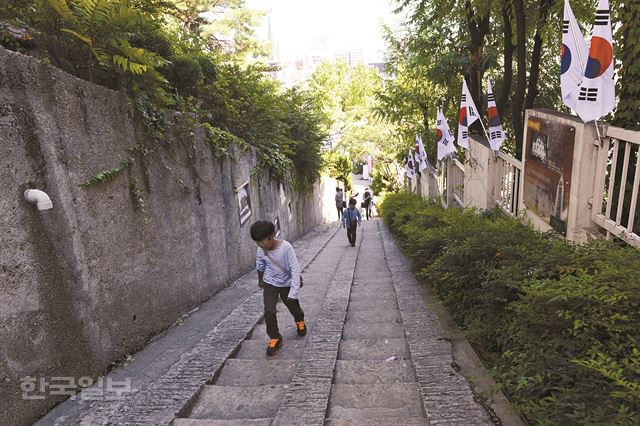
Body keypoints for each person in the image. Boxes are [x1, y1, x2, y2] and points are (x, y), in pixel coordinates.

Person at [250, 220, 306, 357]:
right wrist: (260, 280)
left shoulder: (286, 247)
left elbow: (295, 268)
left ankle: (299, 320)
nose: (260, 245)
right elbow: (260, 265)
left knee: (293, 307)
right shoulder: (260, 250)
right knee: (269, 311)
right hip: (270, 283)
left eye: (262, 241)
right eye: (257, 242)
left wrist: (293, 291)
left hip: (286, 283)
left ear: (272, 235)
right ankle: (275, 337)